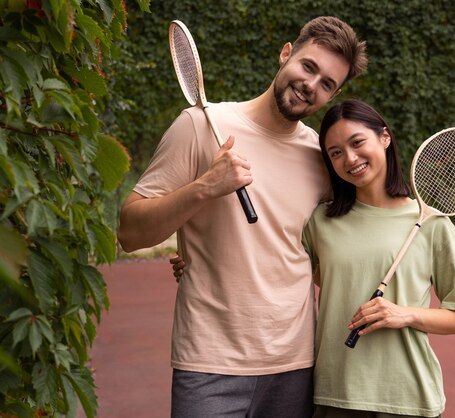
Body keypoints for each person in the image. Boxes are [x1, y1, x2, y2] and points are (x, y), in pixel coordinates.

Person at [118, 17, 368, 418]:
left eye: (327, 85)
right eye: (308, 66)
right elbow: (129, 232)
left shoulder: (321, 159)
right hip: (209, 363)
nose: (312, 85)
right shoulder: (199, 126)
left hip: (295, 364)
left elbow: (325, 257)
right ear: (286, 53)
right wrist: (205, 187)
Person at [173, 99, 455, 417]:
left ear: (384, 137)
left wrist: (405, 315)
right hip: (335, 394)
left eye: (357, 142)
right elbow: (276, 261)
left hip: (406, 396)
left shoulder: (433, 225)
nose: (351, 158)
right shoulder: (320, 222)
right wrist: (199, 260)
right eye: (336, 153)